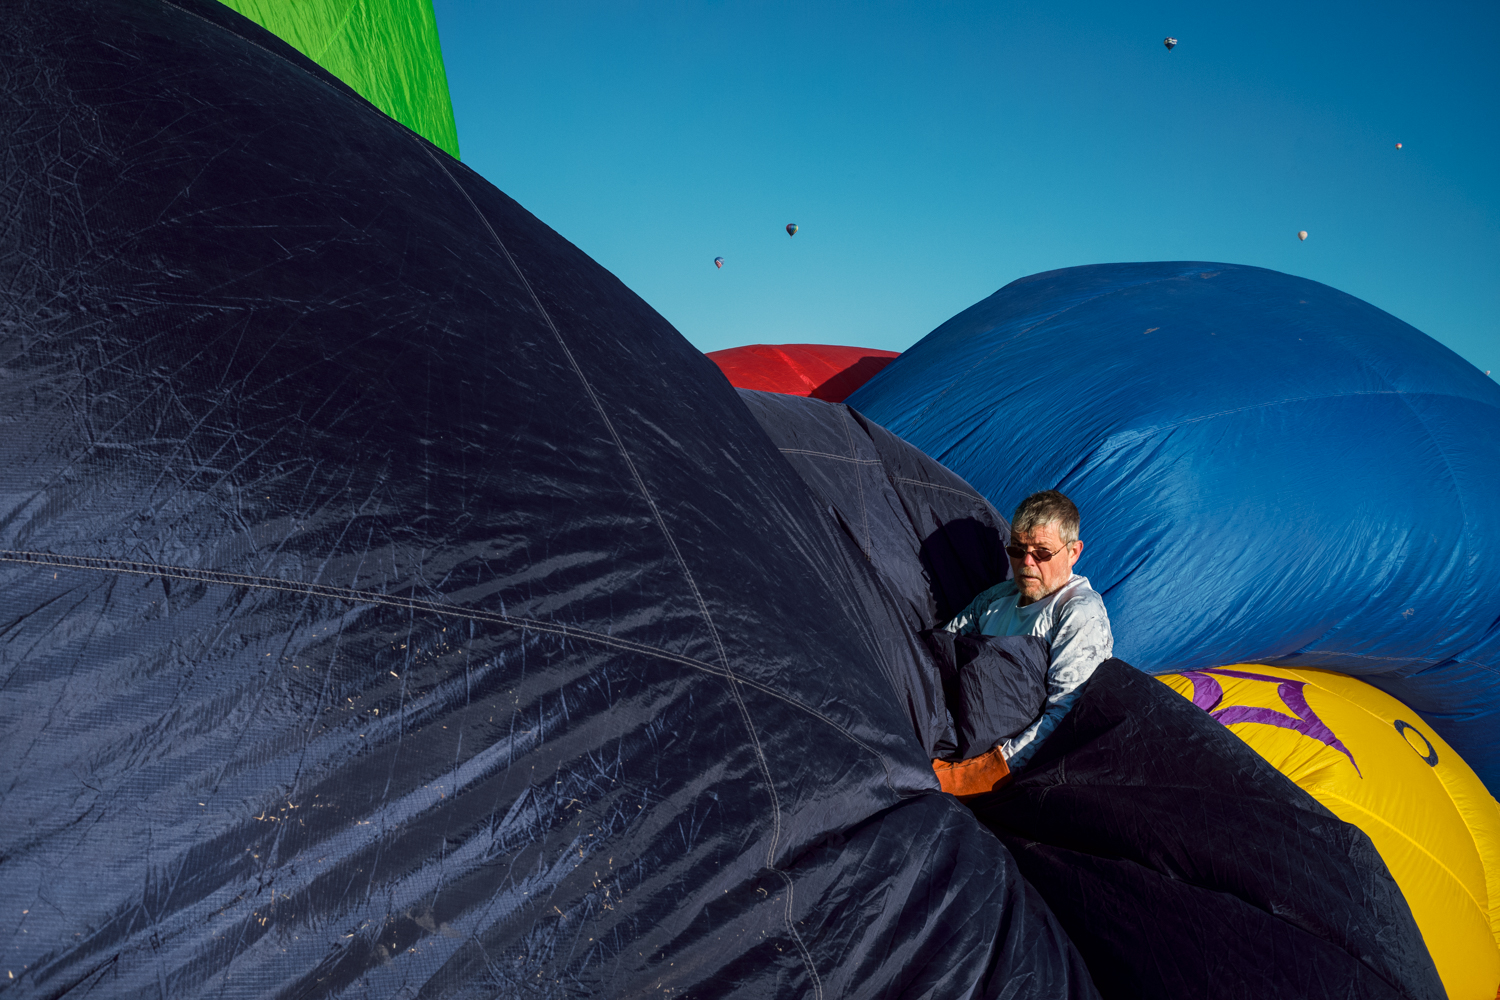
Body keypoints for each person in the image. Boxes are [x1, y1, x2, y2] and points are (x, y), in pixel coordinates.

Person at [944, 489, 1113, 768]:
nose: (1026, 562)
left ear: (1073, 552)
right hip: (956, 736)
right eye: (1017, 550)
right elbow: (942, 648)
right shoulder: (996, 598)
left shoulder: (1079, 612)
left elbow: (1066, 713)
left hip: (1013, 765)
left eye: (1042, 552)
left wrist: (988, 770)